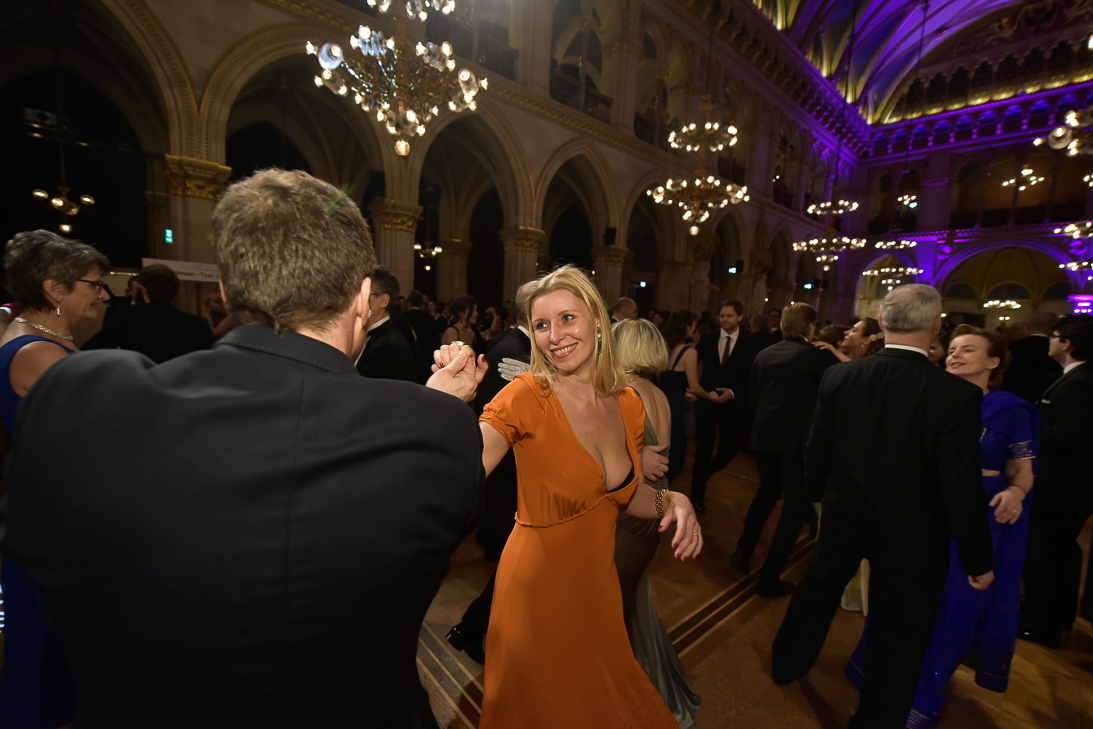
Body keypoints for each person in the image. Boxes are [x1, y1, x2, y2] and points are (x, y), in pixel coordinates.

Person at [0, 169, 487, 729]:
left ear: (228, 292)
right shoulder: (436, 429)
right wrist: (437, 409)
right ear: (361, 296)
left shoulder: (78, 402)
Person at [474, 265, 701, 729]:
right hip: (536, 593)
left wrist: (673, 500)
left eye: (567, 319)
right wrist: (445, 402)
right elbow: (461, 470)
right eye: (541, 324)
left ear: (598, 320)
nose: (555, 336)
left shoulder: (627, 403)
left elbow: (627, 497)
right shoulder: (526, 395)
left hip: (598, 588)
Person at [771, 284, 995, 729]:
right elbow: (960, 482)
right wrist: (978, 558)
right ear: (936, 326)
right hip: (914, 532)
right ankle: (877, 719)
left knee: (817, 592)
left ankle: (787, 663)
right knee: (900, 631)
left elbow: (817, 449)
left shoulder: (841, 376)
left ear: (883, 323)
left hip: (845, 513)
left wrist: (820, 496)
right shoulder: (955, 395)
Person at [846, 324, 1038, 728]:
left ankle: (923, 698)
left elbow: (1022, 470)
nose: (955, 355)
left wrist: (1017, 492)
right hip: (923, 514)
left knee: (954, 608)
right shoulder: (929, 394)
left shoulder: (1013, 411)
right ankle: (876, 678)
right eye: (952, 349)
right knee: (902, 602)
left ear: (994, 362)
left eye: (968, 350)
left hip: (978, 518)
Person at [0, 229, 109, 729]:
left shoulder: (33, 338)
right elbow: (98, 438)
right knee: (47, 658)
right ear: (54, 288)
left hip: (46, 511)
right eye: (93, 284)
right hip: (53, 523)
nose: (102, 294)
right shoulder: (38, 353)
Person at [613, 318, 702, 728]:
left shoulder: (625, 393)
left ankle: (622, 692)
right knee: (632, 597)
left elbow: (613, 466)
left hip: (634, 510)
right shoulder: (660, 393)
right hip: (657, 506)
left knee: (614, 603)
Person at [446, 282, 535, 663]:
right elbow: (504, 413)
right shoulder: (514, 350)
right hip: (507, 463)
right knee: (515, 567)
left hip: (512, 467)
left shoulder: (514, 343)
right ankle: (474, 630)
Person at [733, 303, 836, 597]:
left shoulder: (765, 353)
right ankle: (769, 578)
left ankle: (742, 551)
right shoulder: (816, 356)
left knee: (766, 494)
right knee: (794, 508)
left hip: (764, 437)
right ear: (811, 326)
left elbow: (752, 398)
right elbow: (840, 388)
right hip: (796, 442)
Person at [1021, 313, 1093, 648]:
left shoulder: (1080, 382)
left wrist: (1031, 425)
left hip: (1062, 490)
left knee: (1045, 558)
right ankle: (1055, 617)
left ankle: (1042, 626)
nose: (1050, 341)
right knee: (1056, 556)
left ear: (1067, 343)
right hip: (1065, 489)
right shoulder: (1074, 377)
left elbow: (1072, 435)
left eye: (1054, 337)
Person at [690, 299, 755, 514]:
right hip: (706, 402)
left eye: (729, 316)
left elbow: (753, 378)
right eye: (722, 316)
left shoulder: (750, 343)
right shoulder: (708, 339)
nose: (724, 320)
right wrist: (689, 387)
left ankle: (703, 475)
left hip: (733, 405)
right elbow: (690, 362)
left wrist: (733, 392)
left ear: (740, 317)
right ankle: (696, 496)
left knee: (728, 451)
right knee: (703, 450)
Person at [83, 263, 215, 363]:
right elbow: (212, 362)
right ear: (175, 291)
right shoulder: (198, 325)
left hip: (139, 387)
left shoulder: (125, 316)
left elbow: (93, 350)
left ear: (143, 290)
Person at [658, 310, 731, 485]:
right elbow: (695, 386)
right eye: (694, 324)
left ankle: (654, 495)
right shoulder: (689, 352)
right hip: (675, 408)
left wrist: (681, 392)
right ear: (688, 327)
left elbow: (662, 381)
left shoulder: (664, 348)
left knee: (661, 455)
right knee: (677, 457)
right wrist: (710, 396)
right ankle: (657, 497)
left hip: (659, 403)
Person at [355, 265, 417, 382]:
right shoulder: (377, 337)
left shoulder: (390, 347)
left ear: (383, 301)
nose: (356, 300)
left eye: (363, 294)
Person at [1002, 310, 1062, 403]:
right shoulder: (1056, 350)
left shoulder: (1012, 347)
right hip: (1044, 399)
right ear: (1052, 328)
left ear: (1029, 325)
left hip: (1013, 397)